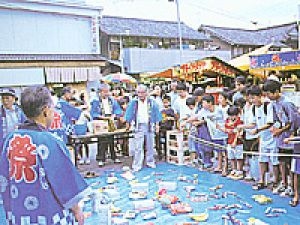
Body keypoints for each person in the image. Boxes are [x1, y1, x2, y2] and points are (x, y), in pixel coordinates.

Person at [0, 86, 87, 225]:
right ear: (46, 111)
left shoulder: (10, 140)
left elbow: (4, 180)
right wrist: (77, 210)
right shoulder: (50, 142)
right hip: (48, 215)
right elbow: (66, 184)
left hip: (19, 215)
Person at [263, 80, 294, 196]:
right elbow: (276, 120)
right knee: (281, 161)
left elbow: (293, 122)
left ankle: (291, 185)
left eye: (268, 94)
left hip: (289, 138)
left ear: (276, 91)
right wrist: (275, 128)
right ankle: (284, 183)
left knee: (290, 163)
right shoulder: (274, 103)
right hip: (280, 138)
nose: (268, 97)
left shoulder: (287, 103)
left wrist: (280, 130)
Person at [125, 84, 162, 172]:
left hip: (149, 125)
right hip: (139, 125)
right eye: (139, 93)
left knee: (150, 145)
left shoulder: (152, 102)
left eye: (142, 92)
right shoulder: (134, 102)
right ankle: (137, 165)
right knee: (138, 147)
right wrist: (128, 124)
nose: (141, 95)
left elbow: (157, 113)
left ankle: (150, 162)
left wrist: (157, 125)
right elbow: (129, 113)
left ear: (146, 93)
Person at [90, 83, 122, 166]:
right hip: (101, 121)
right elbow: (93, 113)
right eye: (104, 92)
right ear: (100, 92)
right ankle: (101, 158)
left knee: (111, 139)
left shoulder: (112, 100)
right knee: (102, 140)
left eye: (107, 91)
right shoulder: (95, 101)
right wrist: (102, 117)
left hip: (110, 119)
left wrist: (114, 115)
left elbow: (118, 110)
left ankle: (113, 156)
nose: (107, 93)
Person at [157, 95, 175, 160]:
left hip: (169, 128)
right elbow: (159, 120)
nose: (165, 104)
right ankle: (161, 155)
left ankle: (168, 154)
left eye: (166, 102)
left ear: (169, 102)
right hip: (162, 128)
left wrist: (170, 118)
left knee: (168, 142)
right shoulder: (161, 111)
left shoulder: (171, 110)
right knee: (161, 142)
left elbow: (174, 118)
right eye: (164, 102)